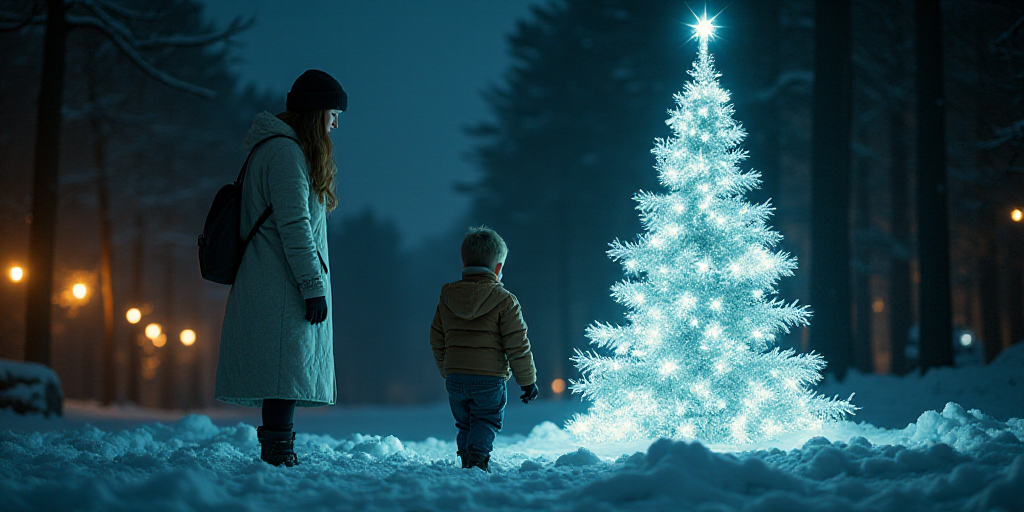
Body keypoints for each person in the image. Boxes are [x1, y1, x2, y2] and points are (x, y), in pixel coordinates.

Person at [215, 69, 346, 467]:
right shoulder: (286, 154)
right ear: (315, 113)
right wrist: (313, 286)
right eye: (332, 114)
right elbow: (295, 226)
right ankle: (278, 449)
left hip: (272, 277)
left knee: (282, 370)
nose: (336, 124)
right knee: (283, 369)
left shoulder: (276, 150)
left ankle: (278, 446)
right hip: (280, 281)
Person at [429, 227, 540, 472]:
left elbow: (436, 337)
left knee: (465, 423)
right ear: (498, 268)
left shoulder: (447, 296)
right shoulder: (505, 300)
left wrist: (447, 368)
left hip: (456, 377)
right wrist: (527, 380)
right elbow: (517, 343)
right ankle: (477, 460)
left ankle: (466, 459)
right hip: (489, 378)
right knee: (486, 419)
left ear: (464, 262)